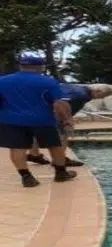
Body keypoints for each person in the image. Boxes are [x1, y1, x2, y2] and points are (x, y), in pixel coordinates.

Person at [0, 53, 77, 188]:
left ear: (21, 65)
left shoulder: (3, 81)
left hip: (11, 120)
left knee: (17, 148)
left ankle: (26, 177)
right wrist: (67, 120)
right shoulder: (48, 81)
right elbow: (60, 103)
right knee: (54, 146)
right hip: (42, 120)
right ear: (40, 67)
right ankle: (61, 173)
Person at [26, 83, 112, 167]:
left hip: (38, 109)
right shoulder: (81, 95)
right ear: (98, 91)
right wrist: (66, 122)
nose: (101, 98)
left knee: (39, 133)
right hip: (51, 112)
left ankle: (34, 155)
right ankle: (60, 160)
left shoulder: (76, 88)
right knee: (63, 135)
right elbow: (60, 103)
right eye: (103, 96)